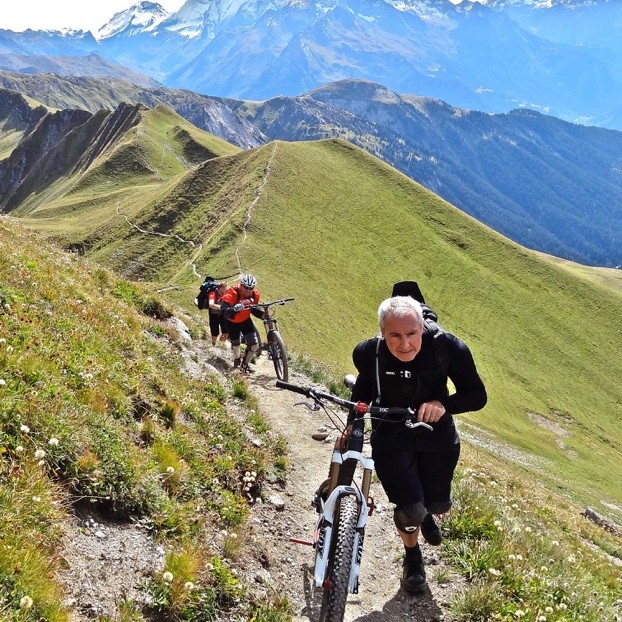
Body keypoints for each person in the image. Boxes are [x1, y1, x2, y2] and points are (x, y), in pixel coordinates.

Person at [348, 293, 487, 594]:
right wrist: (353, 427)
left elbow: (477, 395)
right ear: (382, 332)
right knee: (410, 510)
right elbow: (362, 393)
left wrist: (443, 403)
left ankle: (426, 512)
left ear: (422, 327)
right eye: (394, 335)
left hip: (436, 436)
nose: (405, 344)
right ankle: (413, 556)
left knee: (437, 505)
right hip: (392, 436)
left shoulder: (447, 347)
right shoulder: (369, 354)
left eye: (412, 333)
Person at [219, 274, 263, 371]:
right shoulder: (232, 292)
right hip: (231, 322)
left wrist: (263, 315)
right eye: (245, 287)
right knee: (236, 344)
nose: (248, 290)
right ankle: (237, 360)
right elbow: (225, 312)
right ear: (241, 285)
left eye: (251, 288)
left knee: (254, 344)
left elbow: (253, 309)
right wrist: (235, 309)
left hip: (245, 320)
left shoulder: (255, 294)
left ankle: (245, 365)